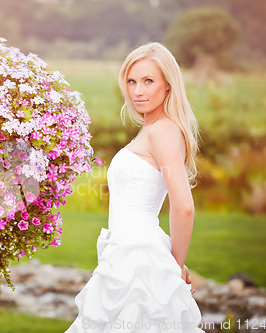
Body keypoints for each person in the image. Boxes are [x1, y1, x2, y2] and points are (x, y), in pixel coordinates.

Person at [65, 42, 204, 332]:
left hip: (140, 259)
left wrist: (174, 267)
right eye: (132, 81)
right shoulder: (151, 129)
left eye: (148, 81)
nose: (137, 91)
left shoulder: (163, 130)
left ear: (168, 85)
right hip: (124, 253)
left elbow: (183, 206)